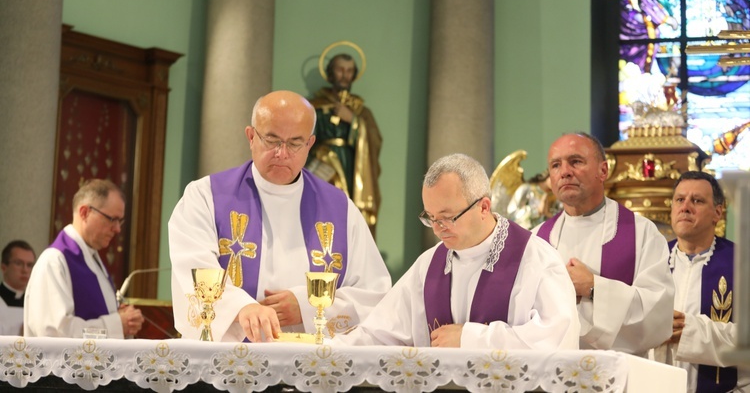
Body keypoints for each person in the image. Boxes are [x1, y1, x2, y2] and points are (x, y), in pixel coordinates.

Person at [169, 90, 391, 343]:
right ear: (251, 137)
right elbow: (193, 266)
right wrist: (242, 308)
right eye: (272, 140)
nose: (282, 153)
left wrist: (307, 308)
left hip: (311, 368)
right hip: (229, 363)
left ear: (310, 144)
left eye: (295, 143)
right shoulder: (205, 196)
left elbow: (374, 293)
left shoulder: (341, 209)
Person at [336, 153, 580, 349]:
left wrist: (469, 339)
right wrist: (324, 350)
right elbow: (380, 332)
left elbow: (556, 339)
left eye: (447, 217)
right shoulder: (429, 264)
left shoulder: (536, 259)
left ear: (484, 207)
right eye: (430, 218)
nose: (438, 229)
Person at [534, 132, 674, 356]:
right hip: (552, 372)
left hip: (619, 377)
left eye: (576, 161)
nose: (565, 172)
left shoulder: (641, 232)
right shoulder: (536, 240)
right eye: (556, 165)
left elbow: (659, 315)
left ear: (603, 171)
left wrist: (594, 287)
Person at [652, 171, 748, 392]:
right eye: (679, 199)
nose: (685, 207)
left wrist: (691, 332)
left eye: (696, 200)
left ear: (717, 212)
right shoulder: (651, 261)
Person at [24, 179, 144, 338]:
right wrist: (116, 325)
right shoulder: (55, 261)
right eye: (112, 219)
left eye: (120, 221)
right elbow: (55, 333)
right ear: (85, 213)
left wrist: (121, 317)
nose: (117, 229)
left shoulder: (93, 260)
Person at [307, 54, 382, 231]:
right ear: (331, 73)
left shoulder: (362, 111)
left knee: (349, 214)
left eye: (349, 71)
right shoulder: (315, 106)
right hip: (323, 169)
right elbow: (304, 139)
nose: (344, 75)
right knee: (323, 212)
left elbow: (374, 141)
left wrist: (354, 121)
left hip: (351, 168)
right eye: (340, 69)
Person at [1, 240, 35, 307]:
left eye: (29, 265)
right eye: (18, 263)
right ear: (4, 267)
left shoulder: (35, 303)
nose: (25, 270)